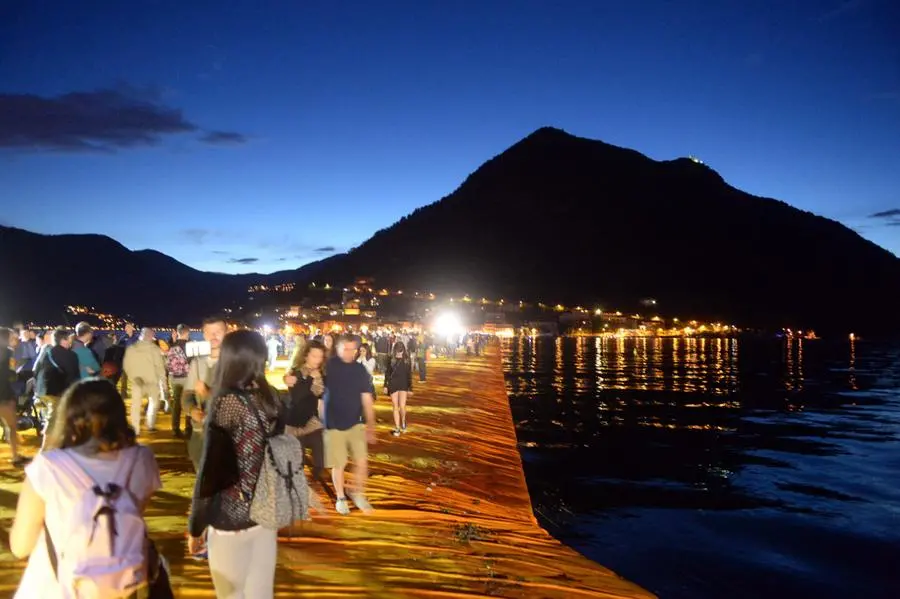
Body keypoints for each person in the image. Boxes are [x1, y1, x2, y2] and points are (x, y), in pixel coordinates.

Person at [9, 378, 161, 598]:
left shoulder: (49, 466)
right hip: (122, 585)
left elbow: (20, 546)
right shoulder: (142, 460)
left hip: (55, 588)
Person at [188, 329, 283, 599]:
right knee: (261, 592)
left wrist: (196, 526)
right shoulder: (271, 398)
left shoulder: (226, 402)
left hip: (231, 518)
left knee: (231, 594)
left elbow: (210, 472)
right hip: (265, 513)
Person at [324, 335, 376, 515]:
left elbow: (367, 397)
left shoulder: (360, 370)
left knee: (361, 461)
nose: (350, 353)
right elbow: (308, 372)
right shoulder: (329, 366)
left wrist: (371, 424)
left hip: (355, 422)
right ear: (338, 349)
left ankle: (357, 492)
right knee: (339, 463)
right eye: (345, 349)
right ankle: (340, 497)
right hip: (334, 424)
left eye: (353, 349)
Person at [182, 315, 227, 472]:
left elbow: (238, 399)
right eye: (209, 332)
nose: (214, 336)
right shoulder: (197, 363)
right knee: (201, 483)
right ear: (203, 335)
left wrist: (209, 393)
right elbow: (186, 396)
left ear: (226, 333)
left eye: (218, 332)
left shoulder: (234, 363)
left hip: (226, 435)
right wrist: (193, 410)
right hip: (200, 433)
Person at [283, 339, 327, 484]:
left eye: (320, 357)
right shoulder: (295, 373)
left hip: (312, 421)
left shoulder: (319, 374)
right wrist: (309, 379)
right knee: (298, 462)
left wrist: (315, 378)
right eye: (314, 356)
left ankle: (313, 482)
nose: (318, 360)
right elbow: (298, 396)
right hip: (294, 422)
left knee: (320, 460)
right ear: (306, 355)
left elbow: (319, 393)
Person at [31, 327, 79, 441]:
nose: (70, 342)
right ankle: (47, 448)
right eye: (69, 339)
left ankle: (55, 443)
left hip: (42, 391)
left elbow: (35, 369)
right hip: (57, 391)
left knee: (52, 418)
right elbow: (73, 375)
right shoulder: (70, 355)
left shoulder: (46, 351)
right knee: (55, 419)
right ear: (64, 340)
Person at [123, 327, 167, 434]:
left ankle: (135, 427)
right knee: (153, 403)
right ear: (150, 336)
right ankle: (150, 425)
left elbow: (127, 365)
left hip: (138, 380)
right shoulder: (155, 349)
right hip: (151, 380)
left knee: (136, 404)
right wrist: (164, 382)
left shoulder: (133, 347)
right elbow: (160, 367)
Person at [0, 328, 26, 466]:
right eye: (11, 337)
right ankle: (15, 456)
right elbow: (11, 374)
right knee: (11, 426)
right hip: (3, 395)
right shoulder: (8, 353)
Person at [386, 341, 413, 436]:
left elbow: (409, 374)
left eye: (400, 351)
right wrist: (385, 385)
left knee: (402, 406)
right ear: (395, 350)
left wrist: (410, 388)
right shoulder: (391, 359)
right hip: (393, 383)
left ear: (403, 350)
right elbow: (387, 372)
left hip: (403, 383)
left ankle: (404, 422)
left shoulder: (407, 359)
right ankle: (397, 427)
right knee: (395, 406)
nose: (399, 354)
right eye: (398, 351)